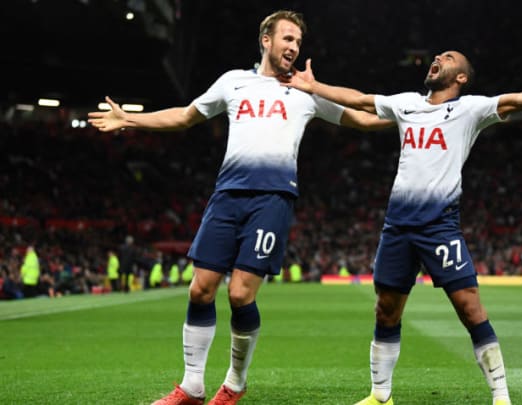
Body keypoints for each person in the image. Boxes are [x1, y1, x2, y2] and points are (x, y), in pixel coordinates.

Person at [284, 51, 522, 405]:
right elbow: (361, 101)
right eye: (438, 55)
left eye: (447, 57)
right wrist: (313, 85)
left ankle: (501, 396)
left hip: (439, 226)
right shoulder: (406, 104)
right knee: (386, 307)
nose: (437, 57)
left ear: (461, 77)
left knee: (469, 307)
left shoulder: (470, 110)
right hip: (398, 225)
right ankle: (380, 395)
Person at [88, 9, 391, 405]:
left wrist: (413, 115)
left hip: (272, 199)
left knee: (240, 295)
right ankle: (192, 386)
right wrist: (130, 118)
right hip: (227, 196)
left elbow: (361, 121)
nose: (294, 47)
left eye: (298, 42)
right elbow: (184, 117)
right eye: (287, 39)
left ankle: (234, 384)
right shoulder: (234, 82)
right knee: (200, 289)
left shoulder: (306, 91)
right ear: (266, 40)